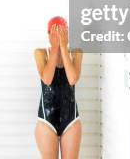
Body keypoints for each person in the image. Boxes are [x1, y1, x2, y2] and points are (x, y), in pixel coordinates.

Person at [34, 16, 83, 159]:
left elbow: (72, 79)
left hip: (71, 120)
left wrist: (63, 48)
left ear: (67, 33)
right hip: (46, 120)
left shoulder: (76, 52)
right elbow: (47, 79)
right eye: (54, 33)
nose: (58, 36)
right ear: (48, 34)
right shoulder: (40, 53)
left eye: (62, 32)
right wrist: (55, 49)